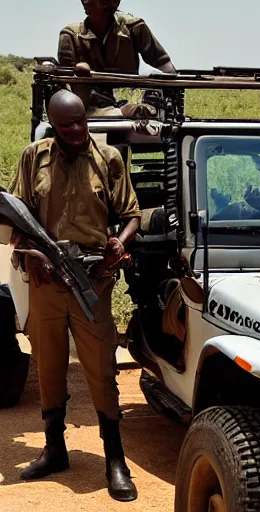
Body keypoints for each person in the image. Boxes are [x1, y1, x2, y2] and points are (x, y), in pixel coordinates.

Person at [10, 90, 141, 502]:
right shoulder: (34, 157)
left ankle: (114, 459)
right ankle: (54, 450)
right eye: (67, 125)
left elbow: (132, 214)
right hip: (46, 284)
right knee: (48, 366)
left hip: (92, 282)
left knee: (101, 370)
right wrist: (28, 253)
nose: (77, 130)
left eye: (81, 121)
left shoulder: (108, 159)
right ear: (52, 124)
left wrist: (118, 243)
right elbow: (16, 213)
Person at [58, 0, 177, 117]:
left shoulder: (133, 27)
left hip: (130, 105)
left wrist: (173, 98)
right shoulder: (71, 35)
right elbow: (66, 85)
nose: (85, 1)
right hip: (91, 108)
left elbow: (162, 62)